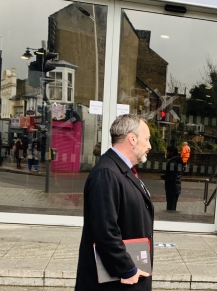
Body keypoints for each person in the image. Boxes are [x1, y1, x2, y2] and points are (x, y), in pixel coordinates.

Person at [75, 114, 153, 291]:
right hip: (115, 283)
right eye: (147, 139)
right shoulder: (107, 173)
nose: (149, 146)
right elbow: (105, 230)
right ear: (132, 139)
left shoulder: (120, 170)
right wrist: (127, 269)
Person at [161, 146, 182, 211]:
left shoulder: (172, 162)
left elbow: (171, 174)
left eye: (168, 152)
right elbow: (178, 172)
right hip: (177, 185)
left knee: (170, 206)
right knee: (174, 205)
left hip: (171, 186)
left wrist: (163, 176)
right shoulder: (179, 161)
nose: (167, 153)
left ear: (172, 152)